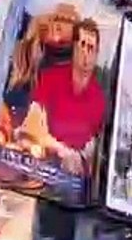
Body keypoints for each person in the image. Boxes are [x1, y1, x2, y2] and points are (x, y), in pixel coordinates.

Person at [19, 18, 109, 175]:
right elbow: (31, 127)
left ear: (96, 53)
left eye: (91, 48)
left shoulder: (99, 99)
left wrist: (83, 158)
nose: (86, 53)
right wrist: (61, 150)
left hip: (74, 184)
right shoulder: (50, 78)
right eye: (82, 45)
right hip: (40, 170)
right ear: (74, 47)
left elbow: (94, 149)